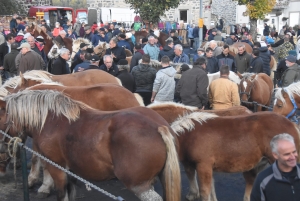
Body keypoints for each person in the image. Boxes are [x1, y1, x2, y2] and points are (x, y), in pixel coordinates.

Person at [250, 133, 300, 201]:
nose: (293, 157)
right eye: (287, 154)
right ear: (275, 155)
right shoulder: (263, 180)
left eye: (294, 152)